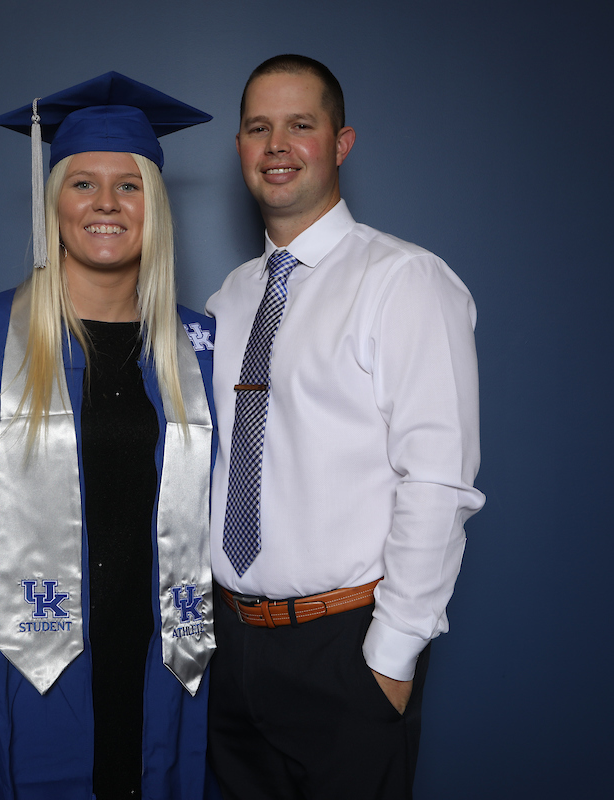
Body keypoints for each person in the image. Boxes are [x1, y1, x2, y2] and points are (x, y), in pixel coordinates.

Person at [0, 72, 219, 800]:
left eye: (129, 186)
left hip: (165, 661)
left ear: (154, 207)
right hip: (27, 661)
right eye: (82, 184)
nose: (105, 205)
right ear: (52, 200)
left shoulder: (198, 344)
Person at [205, 55, 486, 799]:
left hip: (344, 648)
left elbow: (438, 481)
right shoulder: (226, 301)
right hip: (228, 648)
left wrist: (389, 659)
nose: (277, 145)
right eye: (258, 128)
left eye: (301, 125)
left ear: (341, 143)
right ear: (239, 147)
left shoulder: (404, 281)